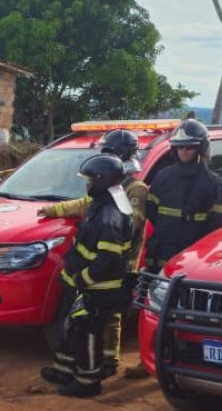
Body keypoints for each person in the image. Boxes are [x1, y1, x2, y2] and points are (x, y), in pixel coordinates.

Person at [39, 129, 148, 377]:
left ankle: (108, 362)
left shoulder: (134, 189)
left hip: (119, 261)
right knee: (90, 317)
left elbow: (131, 226)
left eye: (109, 151)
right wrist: (54, 210)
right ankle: (92, 362)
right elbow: (84, 203)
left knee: (110, 315)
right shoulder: (107, 188)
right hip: (102, 263)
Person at [143, 119, 222, 273]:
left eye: (189, 147)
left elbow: (221, 227)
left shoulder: (215, 185)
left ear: (201, 149)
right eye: (179, 147)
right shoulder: (162, 178)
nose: (183, 151)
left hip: (194, 259)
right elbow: (151, 210)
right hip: (160, 255)